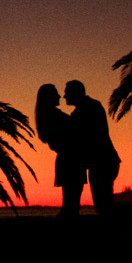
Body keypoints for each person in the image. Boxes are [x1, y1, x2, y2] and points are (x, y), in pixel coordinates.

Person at [64, 80, 121, 215]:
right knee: (102, 201)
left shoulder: (88, 108)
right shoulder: (86, 108)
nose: (64, 96)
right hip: (102, 162)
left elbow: (90, 136)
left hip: (103, 162)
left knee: (103, 201)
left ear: (75, 93)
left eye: (67, 92)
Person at [35, 83, 84, 217]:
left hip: (67, 158)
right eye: (55, 93)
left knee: (71, 201)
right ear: (49, 97)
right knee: (71, 202)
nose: (59, 96)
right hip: (70, 159)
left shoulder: (48, 116)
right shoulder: (53, 116)